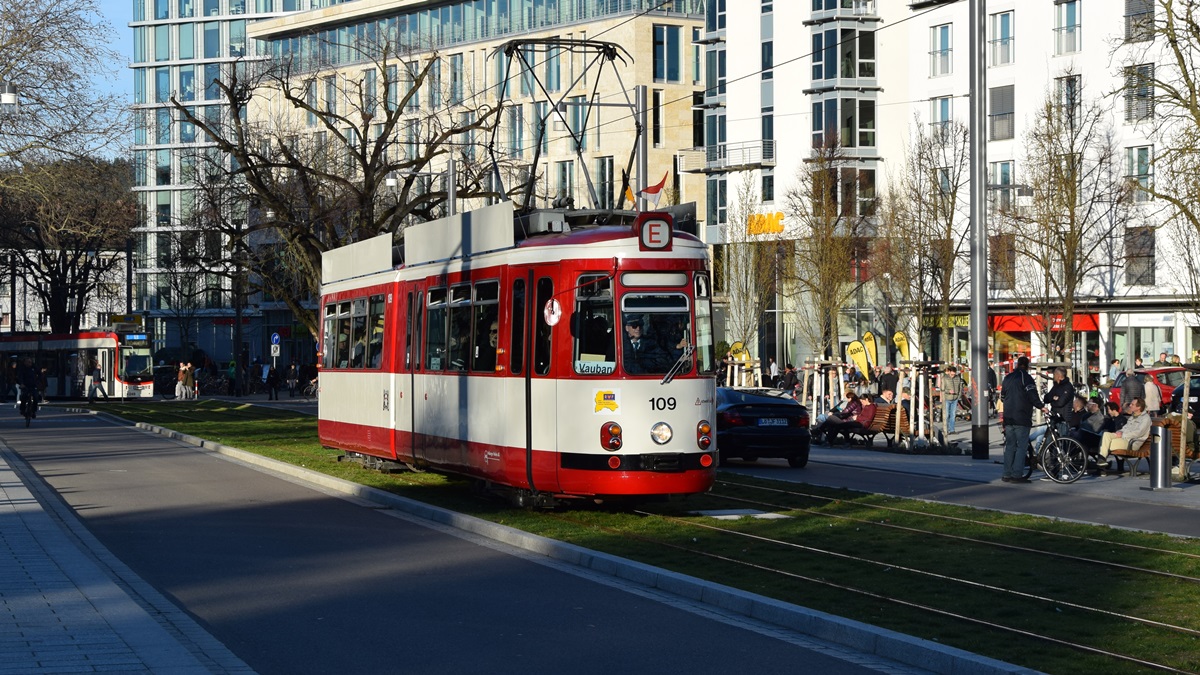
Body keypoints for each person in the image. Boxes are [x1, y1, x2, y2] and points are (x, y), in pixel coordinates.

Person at [1001, 356, 1042, 483]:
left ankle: (1006, 474)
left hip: (1008, 417)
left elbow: (1002, 397)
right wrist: (1041, 407)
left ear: (1017, 364)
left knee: (1010, 446)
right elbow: (1032, 395)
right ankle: (1017, 474)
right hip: (1022, 417)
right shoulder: (1026, 378)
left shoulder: (1007, 378)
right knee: (1021, 447)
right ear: (1027, 366)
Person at [1099, 397, 1151, 465]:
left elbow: (1138, 433)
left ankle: (1101, 463)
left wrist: (1123, 435)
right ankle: (1102, 460)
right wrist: (1119, 432)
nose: (1130, 405)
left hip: (1132, 443)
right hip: (1124, 439)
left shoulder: (1145, 418)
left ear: (1138, 407)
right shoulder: (1133, 417)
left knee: (1105, 444)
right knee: (1106, 434)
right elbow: (1125, 428)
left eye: (1132, 404)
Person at [940, 366, 964, 434]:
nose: (953, 375)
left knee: (953, 415)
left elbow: (960, 387)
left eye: (954, 374)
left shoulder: (957, 378)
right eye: (952, 374)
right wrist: (948, 391)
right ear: (949, 372)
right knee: (946, 415)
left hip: (955, 398)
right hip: (947, 398)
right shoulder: (945, 378)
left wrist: (958, 395)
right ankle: (945, 429)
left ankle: (952, 430)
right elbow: (942, 389)